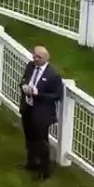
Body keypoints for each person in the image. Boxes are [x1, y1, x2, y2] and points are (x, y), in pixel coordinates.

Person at [19, 46, 65, 178]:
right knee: (29, 137)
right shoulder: (30, 66)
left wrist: (37, 94)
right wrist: (24, 86)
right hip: (28, 108)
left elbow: (57, 96)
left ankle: (45, 170)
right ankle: (31, 162)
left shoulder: (53, 75)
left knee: (41, 141)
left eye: (38, 57)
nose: (35, 59)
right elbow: (24, 79)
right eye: (34, 56)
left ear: (46, 58)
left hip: (42, 113)